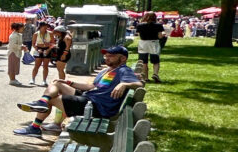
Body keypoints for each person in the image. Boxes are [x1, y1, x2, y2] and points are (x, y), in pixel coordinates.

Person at [13, 45, 143, 137]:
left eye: (111, 56)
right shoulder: (107, 70)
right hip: (90, 98)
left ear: (123, 59)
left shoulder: (123, 70)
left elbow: (139, 84)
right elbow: (91, 87)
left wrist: (124, 84)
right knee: (58, 83)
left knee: (52, 100)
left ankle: (35, 127)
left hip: (96, 108)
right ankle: (41, 102)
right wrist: (69, 83)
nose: (107, 58)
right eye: (106, 56)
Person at [135, 11, 167, 83]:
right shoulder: (158, 25)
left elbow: (138, 34)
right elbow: (159, 36)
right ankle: (155, 74)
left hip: (143, 43)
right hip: (153, 43)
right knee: (155, 61)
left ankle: (145, 77)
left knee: (144, 62)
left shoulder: (140, 25)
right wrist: (164, 36)